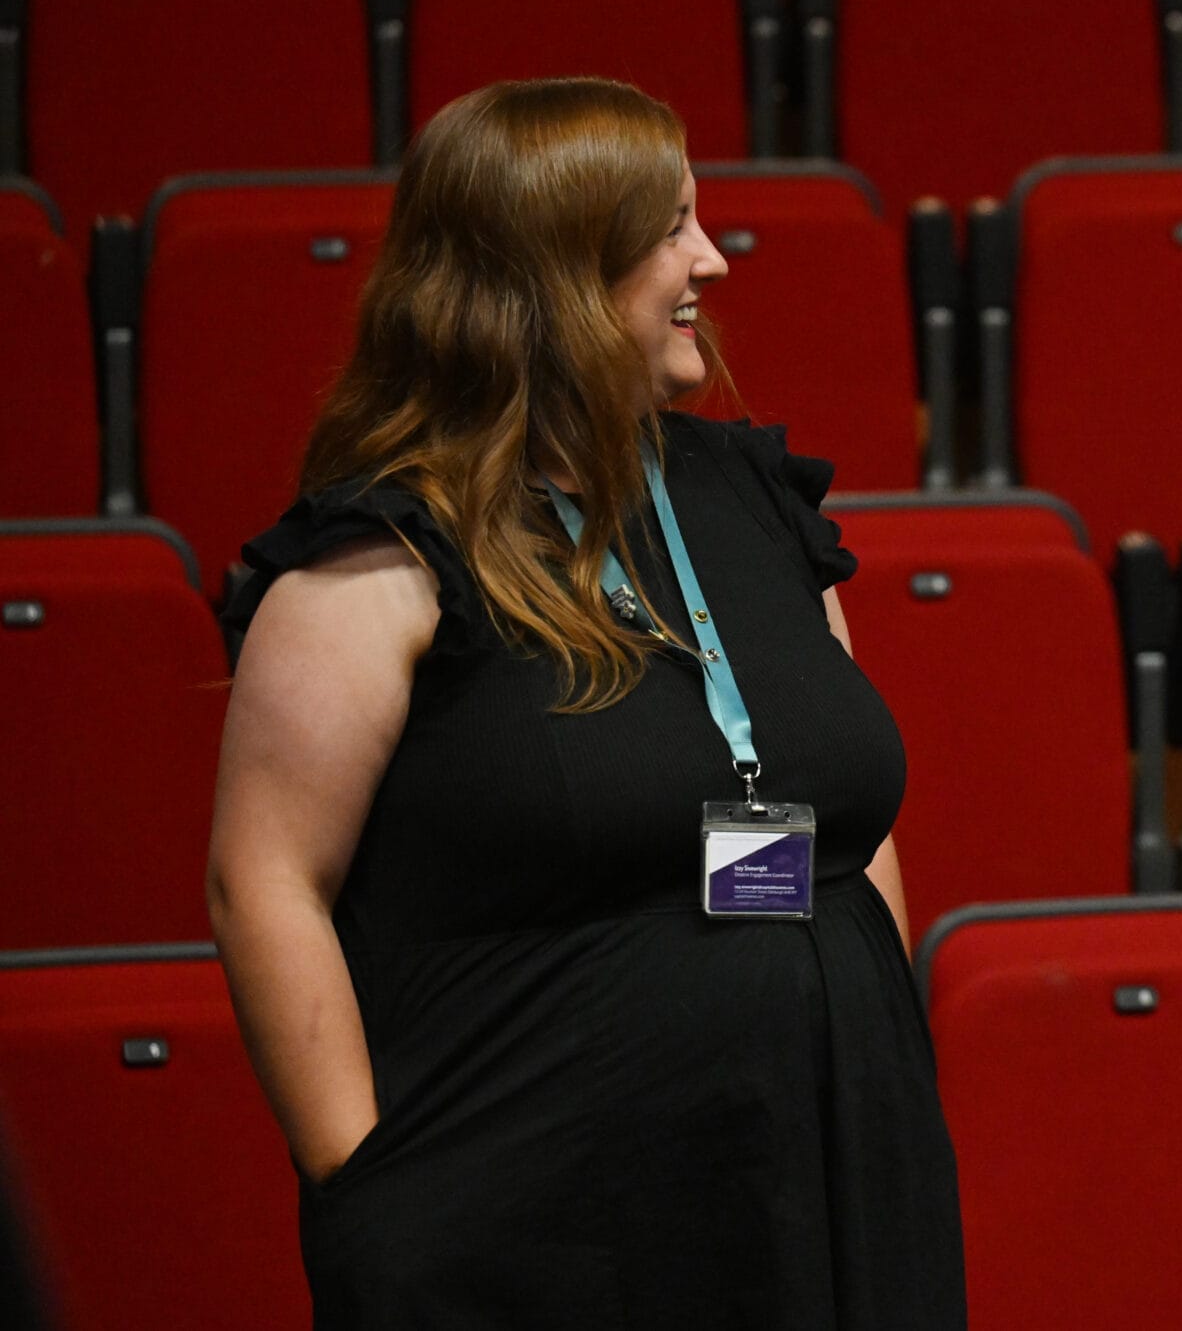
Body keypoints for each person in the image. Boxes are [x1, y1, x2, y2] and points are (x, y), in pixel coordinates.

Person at [205, 78, 966, 1328]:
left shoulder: (755, 501)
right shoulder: (388, 555)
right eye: (669, 229)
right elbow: (262, 882)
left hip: (830, 1175)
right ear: (550, 274)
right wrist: (364, 1187)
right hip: (547, 1230)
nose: (710, 260)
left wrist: (877, 1057)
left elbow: (844, 818)